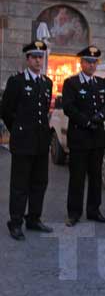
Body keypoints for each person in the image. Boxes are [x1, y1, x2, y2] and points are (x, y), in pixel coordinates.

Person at [1, 41, 53, 240]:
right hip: (23, 142)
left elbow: (44, 111)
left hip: (41, 143)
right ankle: (15, 222)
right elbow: (5, 110)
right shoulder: (17, 82)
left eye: (41, 57)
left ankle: (34, 218)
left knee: (40, 183)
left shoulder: (46, 83)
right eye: (34, 57)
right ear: (27, 59)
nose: (38, 61)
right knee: (20, 185)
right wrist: (18, 129)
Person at [62, 46, 105, 226]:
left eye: (94, 62)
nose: (91, 65)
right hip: (79, 138)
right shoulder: (71, 83)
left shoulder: (101, 83)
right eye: (88, 61)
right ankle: (74, 213)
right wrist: (86, 121)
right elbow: (68, 107)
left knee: (96, 177)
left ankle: (94, 210)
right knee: (77, 177)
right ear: (81, 62)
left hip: (97, 138)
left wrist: (100, 117)